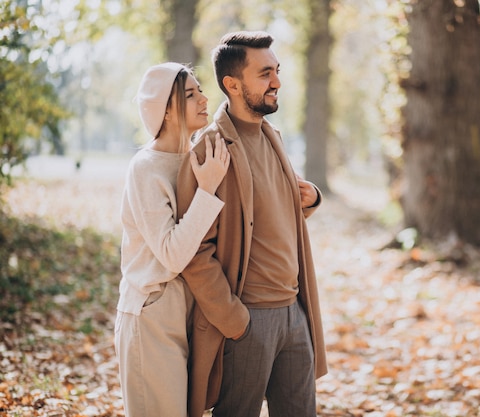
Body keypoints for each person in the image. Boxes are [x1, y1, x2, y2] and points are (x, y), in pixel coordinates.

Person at [176, 31, 328, 417]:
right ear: (232, 83)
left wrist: (309, 200)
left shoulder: (273, 137)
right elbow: (194, 248)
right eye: (265, 74)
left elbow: (265, 215)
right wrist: (235, 320)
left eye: (277, 71)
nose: (277, 81)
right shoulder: (208, 149)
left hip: (295, 312)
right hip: (248, 320)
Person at [114, 62, 231, 417]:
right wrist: (207, 190)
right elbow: (170, 255)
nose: (203, 98)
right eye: (190, 94)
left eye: (200, 90)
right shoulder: (146, 168)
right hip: (152, 312)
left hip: (192, 311)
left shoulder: (199, 156)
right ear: (164, 109)